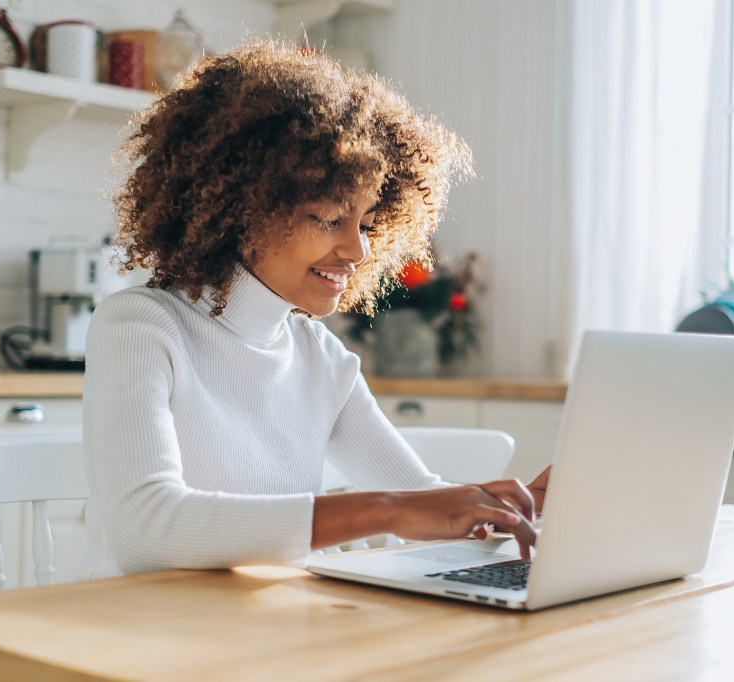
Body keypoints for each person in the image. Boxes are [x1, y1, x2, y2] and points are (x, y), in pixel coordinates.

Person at [79, 38, 550, 579]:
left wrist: (517, 507)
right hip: (139, 642)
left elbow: (420, 499)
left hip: (267, 637)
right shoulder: (140, 326)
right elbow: (147, 530)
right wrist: (389, 509)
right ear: (241, 210)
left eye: (368, 224)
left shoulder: (320, 356)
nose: (359, 250)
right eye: (330, 218)